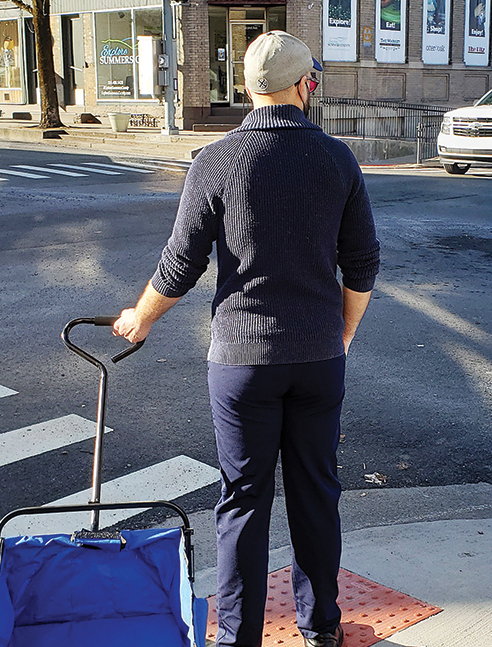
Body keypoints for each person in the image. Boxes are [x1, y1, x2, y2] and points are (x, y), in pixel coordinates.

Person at [113, 30, 379, 647]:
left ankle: (238, 639)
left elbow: (180, 264)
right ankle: (321, 629)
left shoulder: (215, 161)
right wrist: (340, 333)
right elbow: (362, 263)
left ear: (248, 89)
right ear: (304, 85)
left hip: (241, 359)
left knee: (242, 501)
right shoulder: (336, 159)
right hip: (316, 356)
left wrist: (141, 318)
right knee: (316, 493)